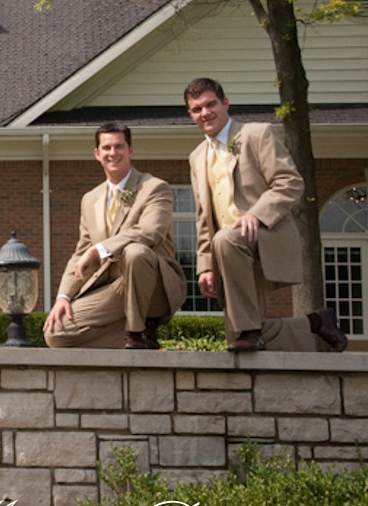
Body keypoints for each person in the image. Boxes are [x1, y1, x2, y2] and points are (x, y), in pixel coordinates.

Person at [185, 78, 347, 353]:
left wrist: (257, 215)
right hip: (229, 253)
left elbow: (290, 182)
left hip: (264, 237)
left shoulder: (257, 134)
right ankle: (315, 323)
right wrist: (206, 265)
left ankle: (255, 330)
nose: (205, 113)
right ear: (191, 114)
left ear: (225, 104)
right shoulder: (197, 156)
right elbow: (204, 216)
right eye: (197, 109)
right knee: (239, 337)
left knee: (245, 331)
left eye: (211, 104)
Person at [44, 123, 185, 349]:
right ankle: (138, 336)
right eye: (107, 148)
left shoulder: (155, 188)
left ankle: (138, 331)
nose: (113, 153)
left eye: (119, 146)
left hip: (153, 283)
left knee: (135, 252)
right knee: (57, 334)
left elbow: (150, 231)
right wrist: (64, 296)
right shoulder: (90, 199)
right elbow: (81, 252)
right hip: (115, 288)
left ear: (131, 150)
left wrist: (99, 249)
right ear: (97, 154)